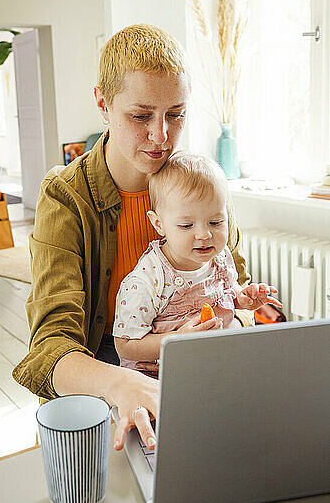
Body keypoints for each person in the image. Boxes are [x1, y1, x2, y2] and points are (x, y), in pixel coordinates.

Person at [12, 24, 253, 453]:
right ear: (103, 103)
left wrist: (235, 318)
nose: (161, 135)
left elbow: (236, 285)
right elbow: (50, 346)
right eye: (141, 116)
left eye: (175, 114)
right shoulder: (65, 198)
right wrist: (123, 382)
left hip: (194, 353)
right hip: (103, 360)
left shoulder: (196, 181)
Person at [113, 152, 282, 377]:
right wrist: (176, 340)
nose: (204, 235)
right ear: (158, 224)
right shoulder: (147, 279)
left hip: (210, 363)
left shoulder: (220, 259)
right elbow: (125, 346)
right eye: (186, 225)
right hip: (159, 375)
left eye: (215, 222)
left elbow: (227, 294)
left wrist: (242, 299)